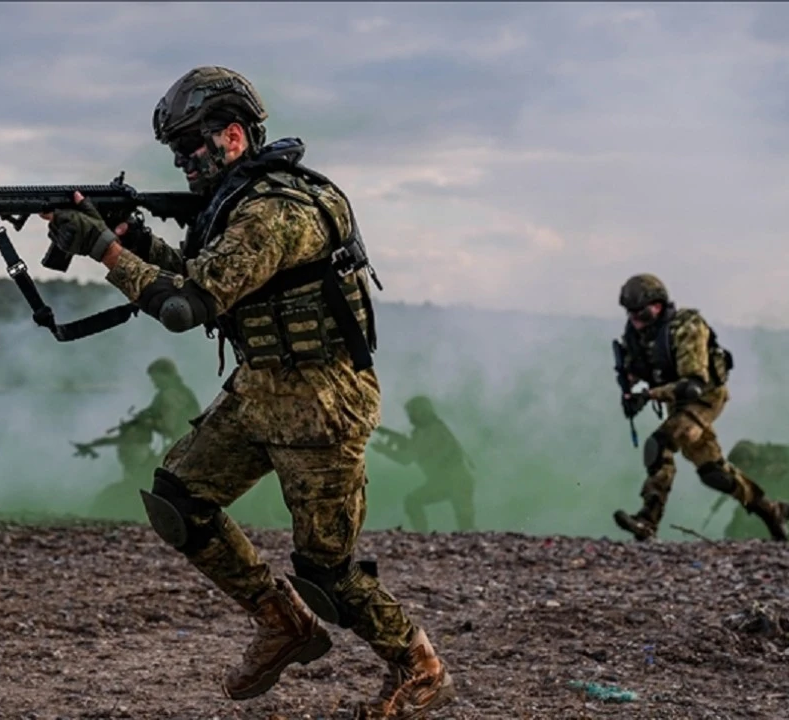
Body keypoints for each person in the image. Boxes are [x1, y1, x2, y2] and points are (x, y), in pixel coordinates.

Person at [40, 65, 453, 718]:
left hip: (321, 401)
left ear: (233, 136)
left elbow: (186, 307)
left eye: (189, 147)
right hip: (262, 385)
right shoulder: (241, 204)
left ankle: (419, 664)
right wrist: (129, 238)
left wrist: (104, 252)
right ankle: (281, 622)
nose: (181, 163)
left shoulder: (274, 210)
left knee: (329, 573)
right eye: (174, 151)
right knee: (180, 501)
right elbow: (201, 273)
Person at [611, 274, 789, 542]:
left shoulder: (687, 327)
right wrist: (630, 388)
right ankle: (771, 510)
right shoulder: (638, 333)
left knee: (659, 445)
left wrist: (649, 395)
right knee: (713, 473)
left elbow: (693, 384)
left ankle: (648, 520)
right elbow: (636, 369)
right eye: (631, 313)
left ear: (658, 306)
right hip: (677, 402)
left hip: (705, 398)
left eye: (642, 313)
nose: (636, 320)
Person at [370, 396, 476, 532]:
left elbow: (406, 459)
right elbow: (414, 448)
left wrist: (385, 450)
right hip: (448, 481)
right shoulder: (429, 430)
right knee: (413, 502)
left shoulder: (432, 431)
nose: (410, 417)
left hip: (457, 481)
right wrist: (398, 442)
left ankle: (421, 536)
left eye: (412, 412)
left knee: (466, 527)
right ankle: (421, 536)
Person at [712, 441, 789, 540]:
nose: (740, 468)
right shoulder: (752, 469)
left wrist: (783, 470)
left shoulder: (775, 460)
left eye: (741, 463)